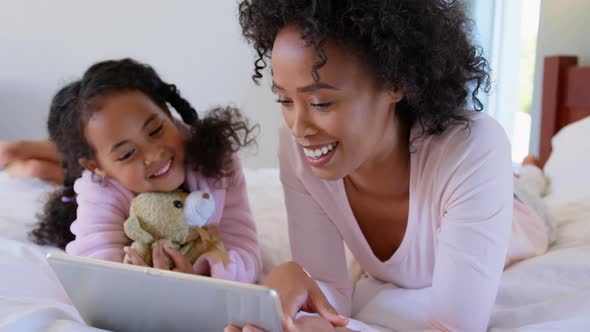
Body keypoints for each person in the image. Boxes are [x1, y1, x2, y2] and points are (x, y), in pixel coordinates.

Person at [232, 0, 554, 331]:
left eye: (321, 102)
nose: (299, 127)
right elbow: (330, 293)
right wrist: (294, 299)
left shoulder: (474, 149)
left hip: (519, 210)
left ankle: (532, 171)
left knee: (528, 185)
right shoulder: (297, 147)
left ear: (394, 82)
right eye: (285, 100)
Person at [29, 58, 261, 283]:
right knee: (44, 172)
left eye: (156, 130)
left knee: (44, 167)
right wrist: (135, 278)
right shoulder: (101, 188)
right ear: (97, 167)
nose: (153, 155)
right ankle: (28, 160)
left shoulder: (218, 160)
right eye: (127, 154)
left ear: (168, 113)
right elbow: (94, 263)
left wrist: (201, 274)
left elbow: (243, 248)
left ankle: (30, 159)